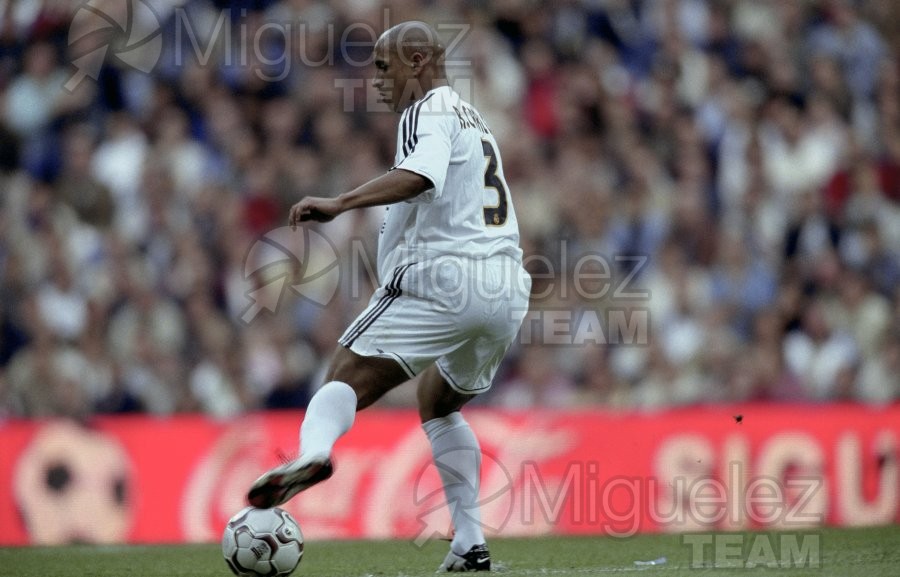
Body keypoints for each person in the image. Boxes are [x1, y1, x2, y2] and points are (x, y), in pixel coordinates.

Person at [246, 21, 531, 572]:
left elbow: (419, 177)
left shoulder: (423, 110)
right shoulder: (474, 120)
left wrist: (340, 202)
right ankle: (471, 544)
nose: (375, 79)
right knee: (439, 403)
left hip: (446, 279)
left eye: (383, 66)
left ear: (419, 59)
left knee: (343, 376)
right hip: (506, 289)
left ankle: (313, 454)